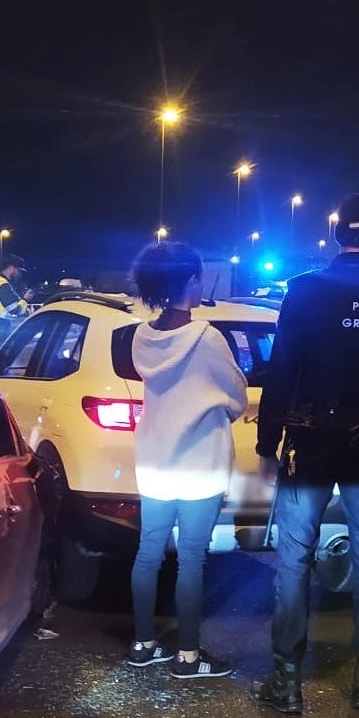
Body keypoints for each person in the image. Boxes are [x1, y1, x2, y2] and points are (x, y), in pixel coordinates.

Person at [253, 193, 359, 714]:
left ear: (336, 237)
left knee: (294, 556)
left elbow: (283, 368)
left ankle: (287, 679)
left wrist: (267, 440)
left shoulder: (305, 290)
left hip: (310, 438)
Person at [127, 241, 248, 679]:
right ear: (191, 281)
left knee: (148, 553)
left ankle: (143, 644)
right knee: (191, 559)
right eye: (199, 278)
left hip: (155, 462)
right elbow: (235, 396)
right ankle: (189, 657)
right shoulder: (207, 338)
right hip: (200, 464)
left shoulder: (142, 336)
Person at [0, 255, 30, 343]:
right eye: (19, 271)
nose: (20, 274)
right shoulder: (3, 284)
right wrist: (25, 300)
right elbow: (14, 309)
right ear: (11, 268)